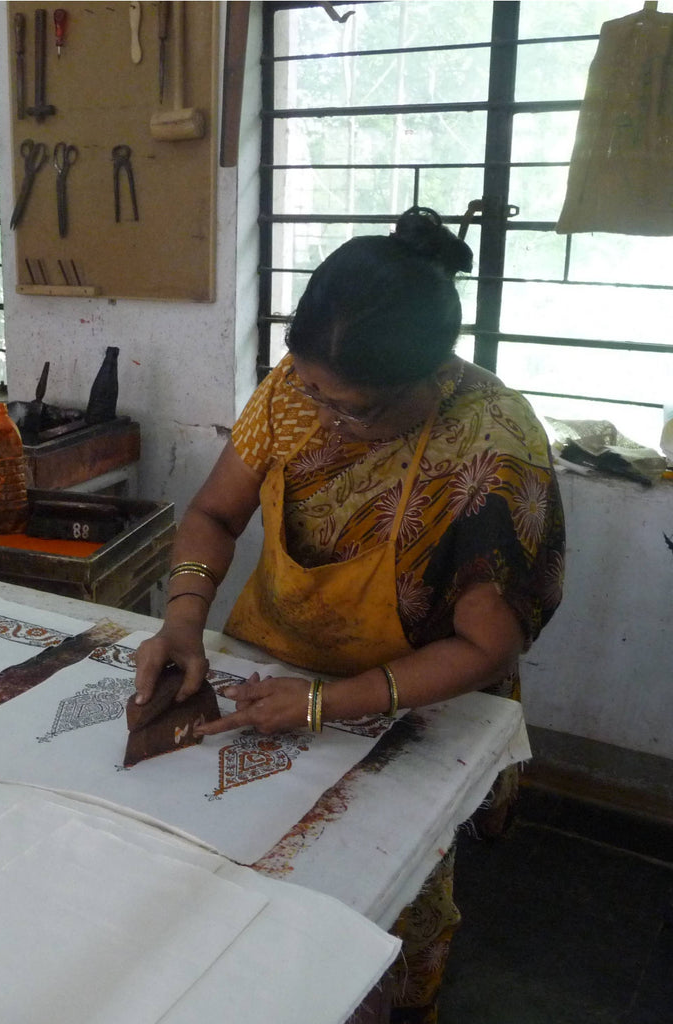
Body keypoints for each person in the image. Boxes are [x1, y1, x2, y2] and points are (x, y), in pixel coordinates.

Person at [134, 206, 565, 1024]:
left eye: (352, 409)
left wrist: (326, 705)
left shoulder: (490, 447)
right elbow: (215, 518)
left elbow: (484, 646)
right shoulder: (297, 394)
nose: (323, 415)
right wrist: (183, 621)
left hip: (412, 698)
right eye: (310, 389)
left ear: (429, 380)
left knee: (375, 913)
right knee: (228, 889)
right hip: (275, 672)